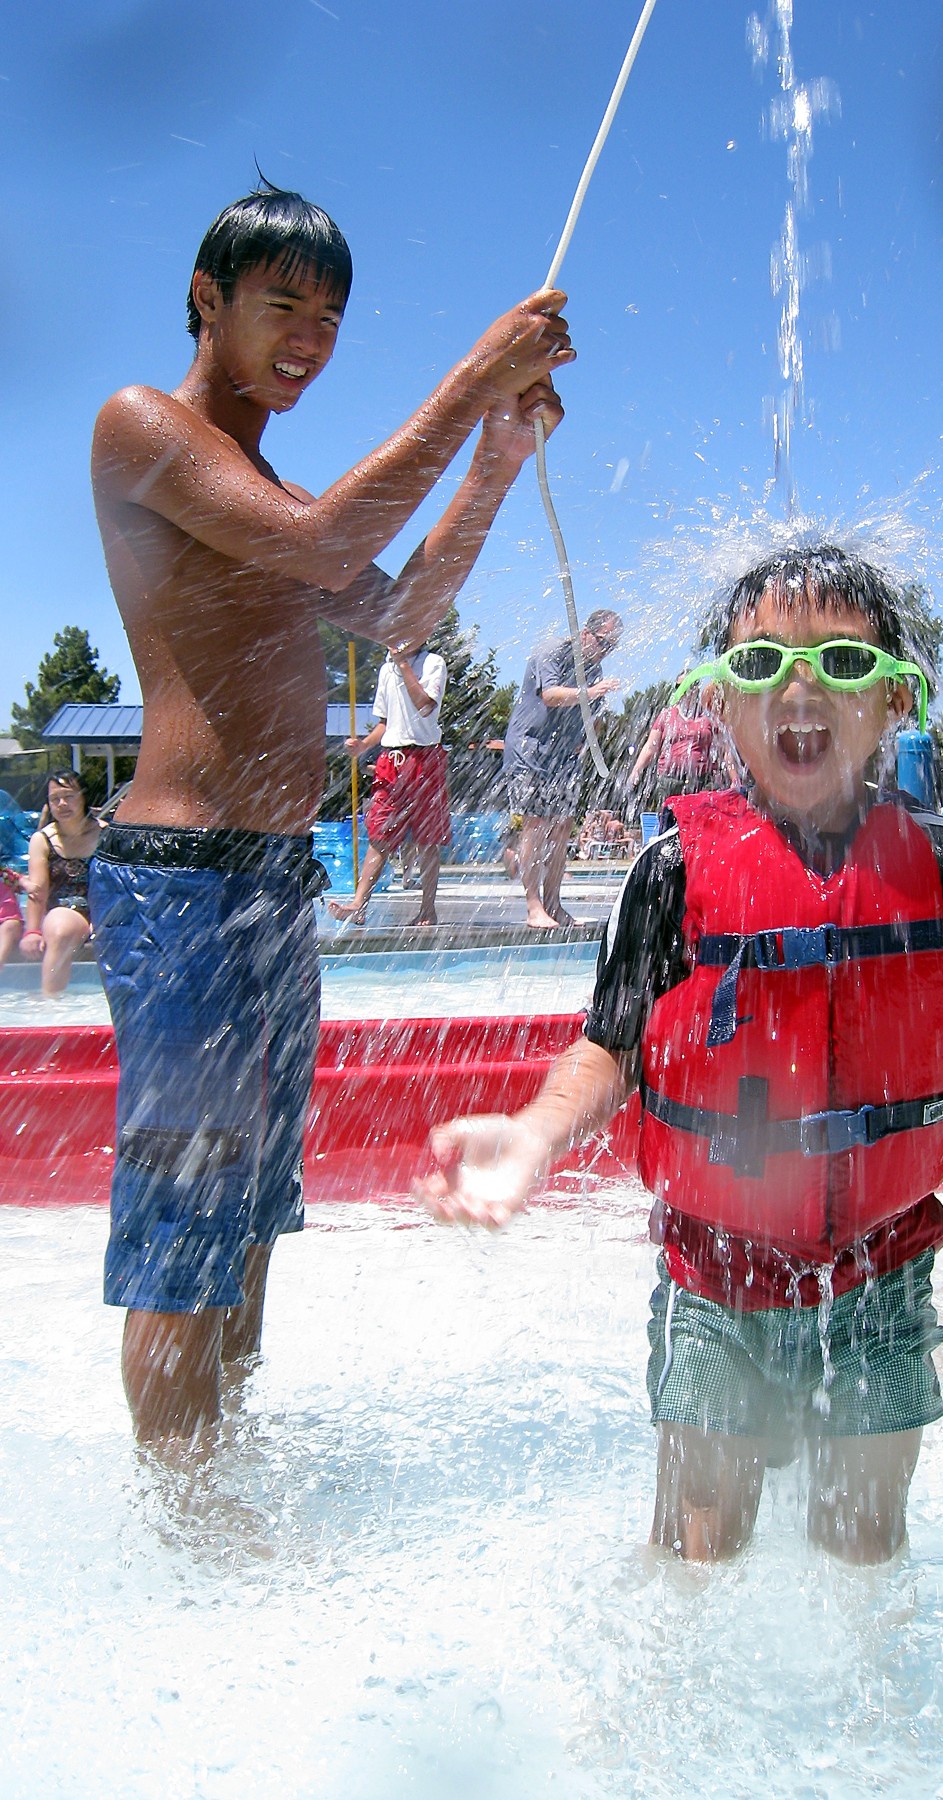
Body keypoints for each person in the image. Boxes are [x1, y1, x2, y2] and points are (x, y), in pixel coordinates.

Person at [423, 542, 943, 1566]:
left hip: (885, 1265)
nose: (802, 686)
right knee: (700, 1550)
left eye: (844, 663)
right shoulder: (673, 869)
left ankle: (871, 1721)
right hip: (718, 1272)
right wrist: (535, 1132)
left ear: (898, 699)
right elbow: (611, 1047)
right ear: (720, 704)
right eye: (761, 664)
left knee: (867, 1552)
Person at [89, 181, 573, 1451]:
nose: (309, 337)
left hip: (270, 876)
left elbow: (404, 615)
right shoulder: (140, 429)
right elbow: (320, 545)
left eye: (332, 317)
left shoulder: (264, 486)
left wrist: (497, 458)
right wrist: (474, 375)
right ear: (208, 299)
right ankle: (184, 1530)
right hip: (181, 875)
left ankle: (221, 1483)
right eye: (282, 304)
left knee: (247, 1212)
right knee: (184, 1214)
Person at [503, 609, 622, 927]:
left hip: (562, 756)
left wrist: (585, 740)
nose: (606, 651)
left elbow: (588, 716)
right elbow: (551, 695)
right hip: (529, 749)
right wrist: (590, 692)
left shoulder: (594, 671)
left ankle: (554, 904)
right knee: (536, 824)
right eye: (604, 643)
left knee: (563, 827)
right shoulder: (552, 650)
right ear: (586, 633)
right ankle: (534, 907)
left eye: (612, 646)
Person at [328, 639, 450, 927]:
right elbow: (384, 722)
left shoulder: (433, 663)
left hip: (425, 758)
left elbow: (424, 706)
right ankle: (359, 905)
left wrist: (404, 664)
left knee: (427, 839)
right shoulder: (386, 670)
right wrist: (364, 745)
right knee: (379, 835)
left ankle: (427, 910)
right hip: (392, 760)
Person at [20, 771, 102, 996]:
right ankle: (53, 1005)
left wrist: (106, 917)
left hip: (104, 908)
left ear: (84, 796)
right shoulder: (43, 840)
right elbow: (38, 890)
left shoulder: (106, 834)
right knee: (60, 929)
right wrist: (32, 931)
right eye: (55, 798)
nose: (62, 803)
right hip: (66, 910)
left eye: (69, 796)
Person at [626, 677, 732, 809]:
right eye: (679, 686)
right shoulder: (667, 715)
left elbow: (725, 749)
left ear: (696, 688)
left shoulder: (707, 716)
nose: (684, 690)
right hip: (669, 780)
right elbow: (650, 747)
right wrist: (636, 770)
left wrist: (733, 778)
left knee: (701, 822)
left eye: (688, 685)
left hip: (701, 780)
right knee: (669, 823)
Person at [0, 868, 24, 968]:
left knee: (10, 926)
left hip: (9, 920)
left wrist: (28, 884)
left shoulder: (4, 876)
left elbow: (22, 881)